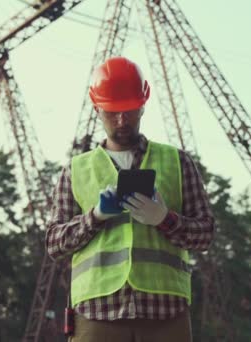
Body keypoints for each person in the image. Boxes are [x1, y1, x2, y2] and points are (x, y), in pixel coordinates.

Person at [46, 56, 216, 342]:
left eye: (129, 111)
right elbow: (53, 244)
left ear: (143, 104)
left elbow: (206, 236)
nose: (122, 120)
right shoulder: (75, 171)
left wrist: (165, 219)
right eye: (113, 112)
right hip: (98, 313)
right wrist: (95, 217)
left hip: (165, 313)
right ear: (97, 106)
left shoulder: (177, 162)